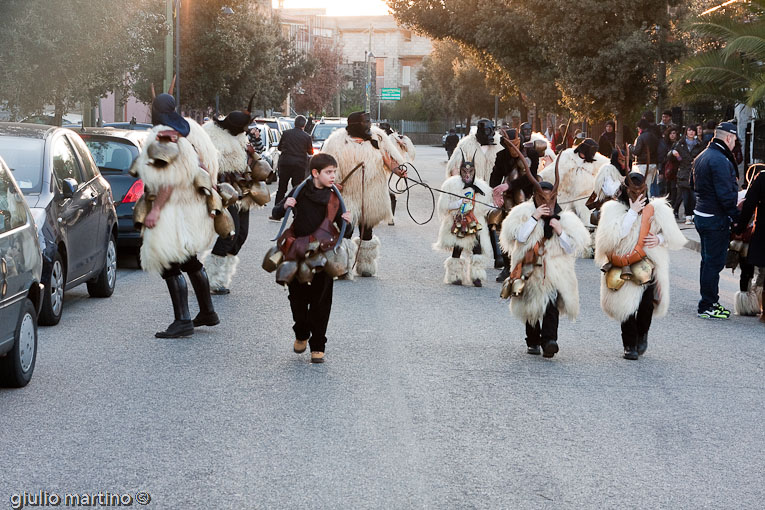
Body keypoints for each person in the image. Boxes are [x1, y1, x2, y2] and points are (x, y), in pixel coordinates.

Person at [134, 93, 219, 338]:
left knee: (168, 263)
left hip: (172, 210)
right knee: (189, 259)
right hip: (187, 208)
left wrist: (156, 209)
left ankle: (182, 320)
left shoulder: (162, 137)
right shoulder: (180, 136)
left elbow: (167, 181)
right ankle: (207, 311)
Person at [499, 160, 590, 358]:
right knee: (531, 304)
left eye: (551, 199)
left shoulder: (563, 218)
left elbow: (570, 248)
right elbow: (519, 237)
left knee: (551, 304)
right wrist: (534, 217)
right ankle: (532, 340)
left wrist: (560, 231)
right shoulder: (523, 213)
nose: (547, 203)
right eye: (542, 198)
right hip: (530, 269)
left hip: (554, 271)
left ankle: (550, 340)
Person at [271, 153, 353, 363]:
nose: (333, 176)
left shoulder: (335, 197)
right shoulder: (299, 191)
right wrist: (285, 205)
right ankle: (301, 333)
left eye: (334, 171)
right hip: (297, 251)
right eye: (328, 172)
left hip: (323, 254)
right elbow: (277, 212)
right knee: (297, 298)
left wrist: (348, 221)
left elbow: (347, 232)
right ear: (315, 173)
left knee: (321, 301)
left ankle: (318, 345)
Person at [594, 173, 686, 359]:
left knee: (646, 305)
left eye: (642, 191)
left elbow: (673, 236)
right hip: (621, 262)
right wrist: (632, 212)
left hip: (648, 263)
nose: (638, 195)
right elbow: (611, 238)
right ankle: (629, 345)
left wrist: (659, 238)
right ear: (625, 191)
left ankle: (642, 334)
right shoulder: (612, 209)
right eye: (634, 191)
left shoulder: (657, 209)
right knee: (624, 305)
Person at [321, 111, 406, 277]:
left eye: (369, 121)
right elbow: (327, 164)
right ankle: (341, 265)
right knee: (346, 228)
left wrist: (399, 171)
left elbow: (389, 160)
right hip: (348, 194)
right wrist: (332, 183)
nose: (369, 124)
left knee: (367, 230)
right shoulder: (337, 141)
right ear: (355, 125)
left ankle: (366, 264)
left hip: (371, 194)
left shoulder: (377, 138)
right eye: (365, 122)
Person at [204, 101, 271, 295]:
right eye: (243, 127)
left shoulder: (241, 138)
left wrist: (252, 152)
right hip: (225, 192)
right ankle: (211, 277)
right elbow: (211, 166)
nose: (246, 130)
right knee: (229, 234)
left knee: (241, 236)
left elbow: (256, 157)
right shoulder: (214, 139)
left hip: (243, 193)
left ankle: (222, 276)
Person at [691, 121, 741, 319]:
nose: (735, 144)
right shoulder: (720, 159)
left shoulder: (702, 155)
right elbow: (726, 194)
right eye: (735, 140)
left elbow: (693, 185)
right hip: (714, 218)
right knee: (713, 263)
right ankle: (707, 305)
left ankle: (709, 301)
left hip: (701, 214)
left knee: (707, 261)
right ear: (728, 137)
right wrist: (736, 217)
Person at [490, 127, 542, 279]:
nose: (513, 148)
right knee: (503, 227)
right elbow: (495, 176)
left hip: (529, 194)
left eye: (515, 144)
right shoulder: (501, 156)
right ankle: (507, 265)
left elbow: (530, 177)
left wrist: (510, 185)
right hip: (509, 197)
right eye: (509, 145)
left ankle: (530, 264)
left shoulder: (532, 154)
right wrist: (495, 193)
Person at [435, 152, 493, 286]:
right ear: (460, 171)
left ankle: (476, 275)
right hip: (458, 221)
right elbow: (444, 207)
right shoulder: (451, 185)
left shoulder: (481, 187)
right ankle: (455, 275)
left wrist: (495, 206)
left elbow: (484, 207)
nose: (467, 174)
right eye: (464, 171)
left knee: (477, 248)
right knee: (458, 247)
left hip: (474, 222)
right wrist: (459, 203)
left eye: (470, 171)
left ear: (474, 171)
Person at [731, 164, 765, 320]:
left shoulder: (762, 178)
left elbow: (749, 205)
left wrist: (739, 228)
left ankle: (750, 305)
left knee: (750, 269)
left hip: (760, 232)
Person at [274, 114, 313, 205]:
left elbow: (279, 148)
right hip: (299, 165)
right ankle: (296, 213)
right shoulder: (307, 137)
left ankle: (277, 210)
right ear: (304, 125)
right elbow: (310, 152)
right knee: (297, 189)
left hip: (285, 163)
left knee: (281, 188)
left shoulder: (286, 133)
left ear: (294, 123)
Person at [672, 126, 703, 224]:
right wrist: (674, 154)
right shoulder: (680, 144)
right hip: (683, 173)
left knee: (694, 196)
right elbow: (670, 157)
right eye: (689, 130)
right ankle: (688, 216)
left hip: (695, 173)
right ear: (686, 132)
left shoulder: (699, 144)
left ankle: (693, 215)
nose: (691, 132)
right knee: (685, 196)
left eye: (693, 130)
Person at [629, 119, 659, 197]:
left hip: (642, 164)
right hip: (652, 164)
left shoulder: (641, 137)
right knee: (648, 186)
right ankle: (647, 201)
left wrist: (630, 147)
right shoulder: (654, 136)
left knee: (639, 185)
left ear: (640, 127)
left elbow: (636, 151)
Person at [662, 126, 681, 215]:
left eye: (674, 133)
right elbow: (663, 157)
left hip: (676, 169)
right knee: (668, 189)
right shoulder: (665, 144)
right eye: (671, 133)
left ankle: (674, 208)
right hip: (668, 169)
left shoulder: (679, 144)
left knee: (675, 190)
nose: (673, 135)